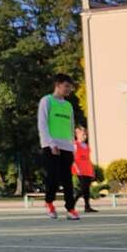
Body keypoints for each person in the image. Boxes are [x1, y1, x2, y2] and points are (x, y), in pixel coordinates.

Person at [36, 73, 80, 220]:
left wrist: (73, 144)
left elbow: (71, 126)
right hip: (51, 145)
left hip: (67, 146)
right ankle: (49, 202)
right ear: (57, 85)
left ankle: (71, 209)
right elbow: (42, 124)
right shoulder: (46, 101)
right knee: (53, 178)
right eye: (66, 86)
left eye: (70, 87)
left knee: (67, 180)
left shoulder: (68, 105)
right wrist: (50, 143)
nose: (68, 89)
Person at [72, 125, 98, 213]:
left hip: (88, 170)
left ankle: (87, 206)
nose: (85, 136)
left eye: (86, 134)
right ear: (77, 135)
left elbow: (88, 159)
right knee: (83, 188)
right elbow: (73, 158)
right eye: (83, 134)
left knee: (86, 189)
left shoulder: (86, 146)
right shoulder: (75, 145)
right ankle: (71, 204)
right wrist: (76, 168)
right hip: (80, 170)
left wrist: (92, 170)